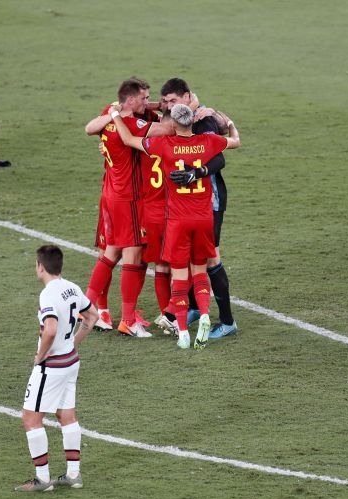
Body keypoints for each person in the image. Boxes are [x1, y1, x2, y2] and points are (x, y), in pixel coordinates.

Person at [110, 103, 240, 349]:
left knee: (179, 276)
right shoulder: (207, 142)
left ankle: (182, 331)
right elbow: (235, 141)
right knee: (200, 271)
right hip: (203, 218)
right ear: (192, 122)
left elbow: (128, 140)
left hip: (177, 220)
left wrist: (116, 115)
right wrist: (230, 123)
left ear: (174, 125)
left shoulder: (163, 145)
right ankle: (204, 315)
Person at [83, 78, 173, 338]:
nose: (149, 102)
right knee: (132, 256)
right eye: (145, 98)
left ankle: (90, 308)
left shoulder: (112, 112)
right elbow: (167, 130)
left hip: (111, 193)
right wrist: (190, 108)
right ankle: (125, 319)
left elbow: (90, 128)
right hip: (129, 198)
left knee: (111, 252)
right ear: (131, 100)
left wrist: (113, 114)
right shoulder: (132, 123)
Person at [16, 245, 99, 492]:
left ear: (40, 266)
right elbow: (92, 316)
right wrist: (73, 343)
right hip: (71, 362)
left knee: (31, 419)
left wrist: (40, 356)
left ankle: (42, 480)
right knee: (66, 416)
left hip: (51, 367)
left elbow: (50, 330)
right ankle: (73, 474)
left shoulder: (48, 295)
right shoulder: (72, 287)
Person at [159, 78, 237, 339]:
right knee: (191, 255)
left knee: (211, 256)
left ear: (187, 96)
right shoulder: (185, 117)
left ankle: (227, 321)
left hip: (210, 200)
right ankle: (192, 307)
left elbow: (220, 158)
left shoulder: (202, 120)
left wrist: (197, 173)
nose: (169, 106)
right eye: (166, 102)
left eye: (173, 101)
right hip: (190, 205)